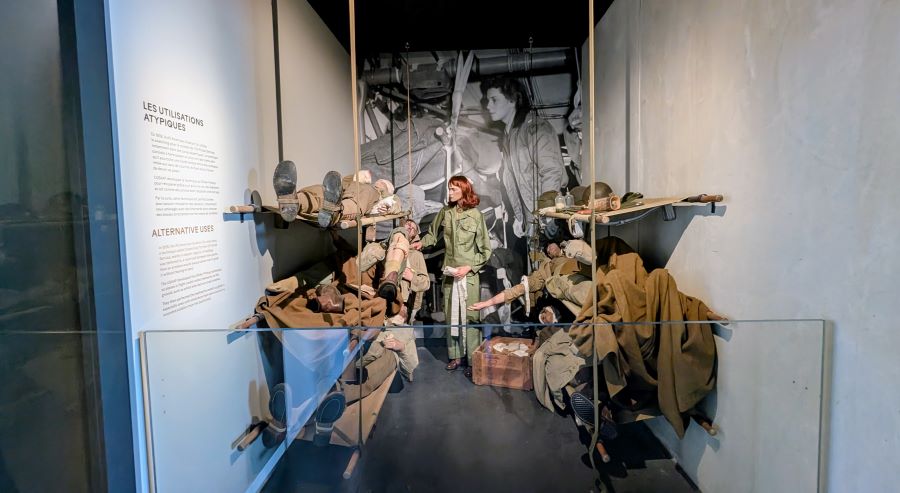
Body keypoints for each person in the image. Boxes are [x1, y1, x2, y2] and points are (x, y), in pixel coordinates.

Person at [414, 176, 491, 378]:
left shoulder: (476, 215)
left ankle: (473, 360)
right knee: (452, 316)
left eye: (453, 189)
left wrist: (470, 267)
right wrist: (420, 243)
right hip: (450, 274)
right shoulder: (445, 212)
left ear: (464, 191)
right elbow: (432, 235)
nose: (449, 193)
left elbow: (486, 251)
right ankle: (455, 356)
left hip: (469, 276)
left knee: (470, 318)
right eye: (448, 189)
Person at [481, 77, 565, 238]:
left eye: (494, 100)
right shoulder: (509, 136)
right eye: (487, 100)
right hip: (531, 217)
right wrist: (519, 218)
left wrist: (547, 215)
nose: (488, 106)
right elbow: (513, 182)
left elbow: (551, 171)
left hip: (548, 216)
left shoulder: (536, 128)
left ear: (512, 100)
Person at [273, 162, 399, 226]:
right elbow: (344, 181)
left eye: (382, 183)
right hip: (341, 194)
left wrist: (390, 207)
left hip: (354, 200)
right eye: (379, 181)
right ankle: (294, 202)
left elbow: (396, 204)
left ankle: (335, 212)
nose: (378, 182)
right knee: (321, 191)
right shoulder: (362, 183)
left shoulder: (378, 193)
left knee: (357, 197)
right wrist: (359, 176)